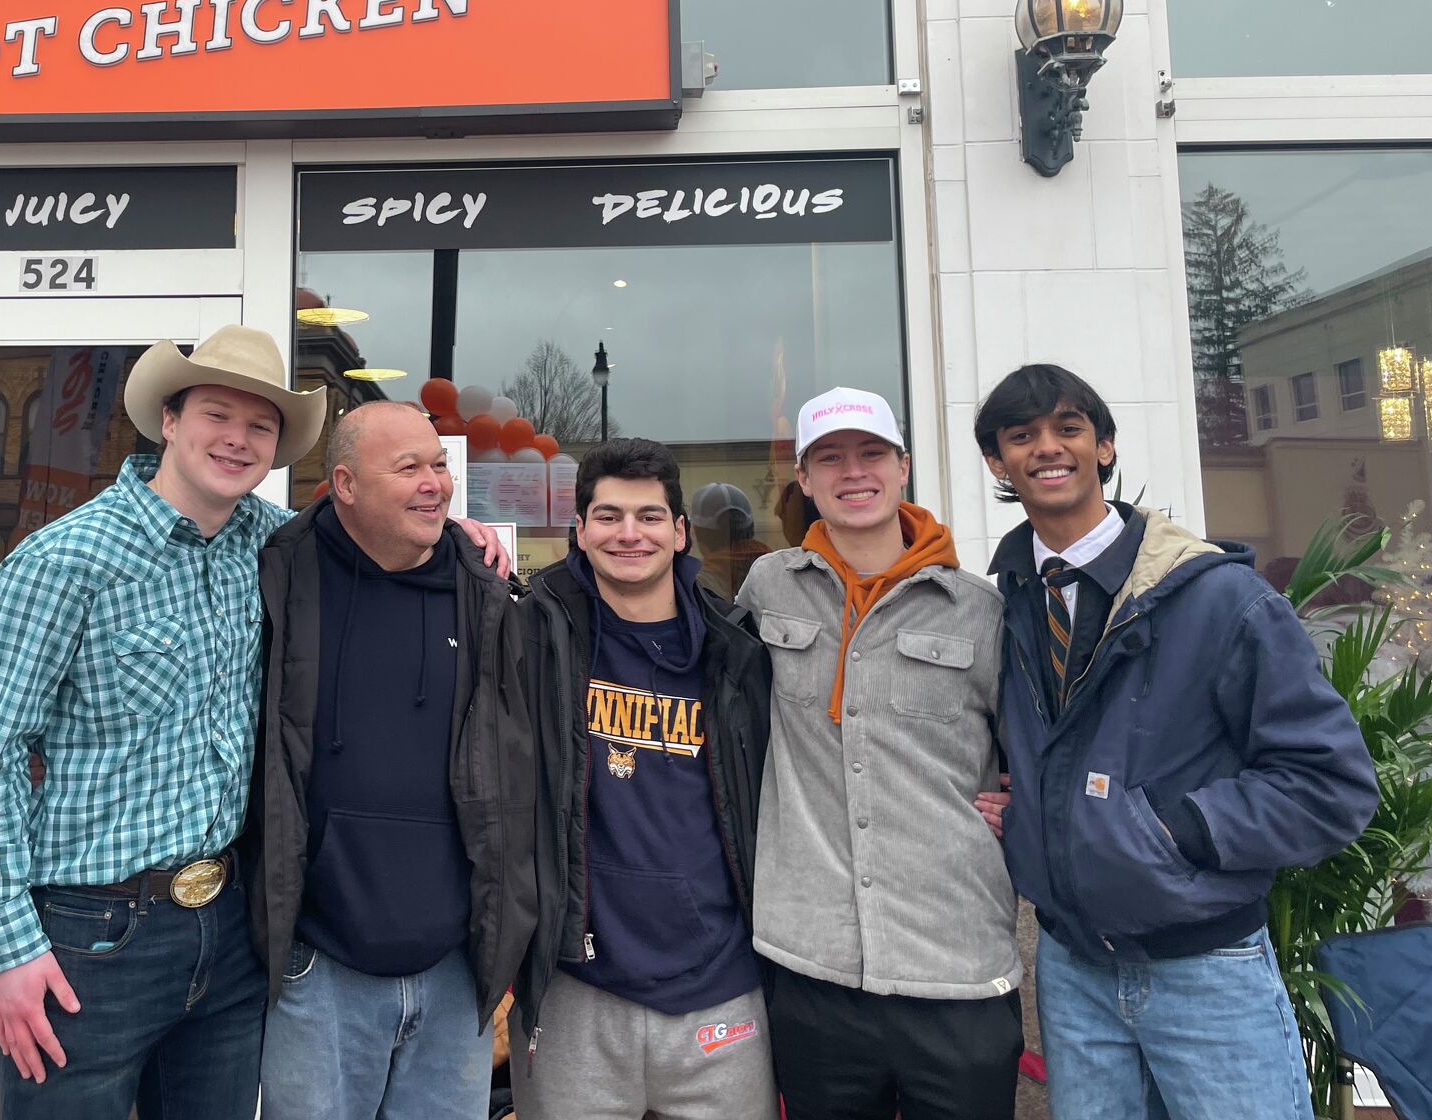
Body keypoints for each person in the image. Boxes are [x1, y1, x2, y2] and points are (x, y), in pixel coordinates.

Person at [0, 325, 326, 1119]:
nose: (237, 439)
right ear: (170, 422)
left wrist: (455, 539)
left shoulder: (270, 545)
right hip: (92, 937)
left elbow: (378, 542)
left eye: (260, 426)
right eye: (218, 414)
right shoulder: (65, 560)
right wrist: (11, 950)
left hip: (229, 927)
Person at [973, 363, 1379, 1120]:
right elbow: (1049, 746)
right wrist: (1020, 801)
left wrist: (1173, 830)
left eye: (1068, 428)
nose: (1046, 449)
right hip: (1071, 967)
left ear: (1105, 446)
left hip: (1207, 967)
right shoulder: (1009, 604)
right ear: (998, 463)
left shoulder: (1220, 599)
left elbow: (1332, 785)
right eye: (1021, 436)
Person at [742, 387, 1022, 1120]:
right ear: (803, 480)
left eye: (871, 454)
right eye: (829, 458)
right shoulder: (767, 588)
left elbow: (1038, 743)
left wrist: (1031, 805)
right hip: (812, 967)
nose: (852, 472)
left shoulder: (980, 607)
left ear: (902, 468)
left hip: (955, 966)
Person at [251, 402, 535, 1120]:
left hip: (452, 971)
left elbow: (520, 766)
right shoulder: (278, 575)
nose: (433, 483)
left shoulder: (486, 593)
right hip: (319, 967)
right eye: (407, 468)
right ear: (344, 484)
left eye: (438, 465)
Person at [513, 438, 775, 1120]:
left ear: (680, 531)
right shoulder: (530, 638)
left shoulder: (738, 650)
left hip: (722, 986)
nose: (629, 533)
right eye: (607, 515)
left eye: (650, 516)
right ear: (578, 530)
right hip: (575, 986)